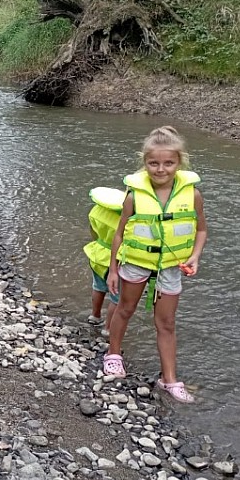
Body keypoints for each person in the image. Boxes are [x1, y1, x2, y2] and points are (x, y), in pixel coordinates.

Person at [102, 126, 208, 403]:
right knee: (125, 309)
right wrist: (113, 270)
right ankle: (113, 353)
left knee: (167, 322)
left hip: (171, 265)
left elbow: (201, 230)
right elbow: (119, 233)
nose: (161, 169)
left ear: (179, 163)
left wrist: (195, 255)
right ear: (145, 163)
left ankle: (169, 379)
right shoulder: (134, 197)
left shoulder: (193, 195)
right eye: (154, 163)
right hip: (136, 261)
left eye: (168, 163)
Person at [82, 187, 125, 338]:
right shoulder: (125, 219)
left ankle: (95, 315)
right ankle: (108, 328)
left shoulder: (96, 212)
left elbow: (93, 233)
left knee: (98, 287)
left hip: (96, 254)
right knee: (116, 298)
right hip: (115, 260)